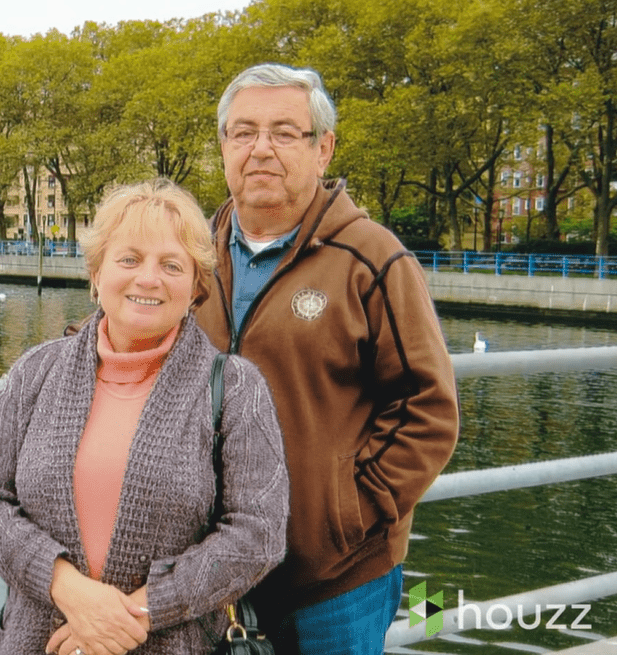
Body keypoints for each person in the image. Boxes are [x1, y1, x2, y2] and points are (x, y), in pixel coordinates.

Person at [194, 63, 460, 655]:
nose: (261, 149)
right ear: (223, 148)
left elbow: (430, 409)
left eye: (285, 133)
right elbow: (128, 330)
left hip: (336, 580)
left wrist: (347, 515)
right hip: (213, 571)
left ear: (323, 150)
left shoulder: (371, 258)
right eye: (244, 132)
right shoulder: (191, 255)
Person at [0, 179, 290, 655]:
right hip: (39, 643)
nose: (148, 278)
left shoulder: (237, 388)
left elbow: (258, 536)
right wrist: (69, 591)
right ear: (96, 273)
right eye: (129, 259)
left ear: (197, 287)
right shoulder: (34, 372)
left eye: (171, 265)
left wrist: (132, 616)